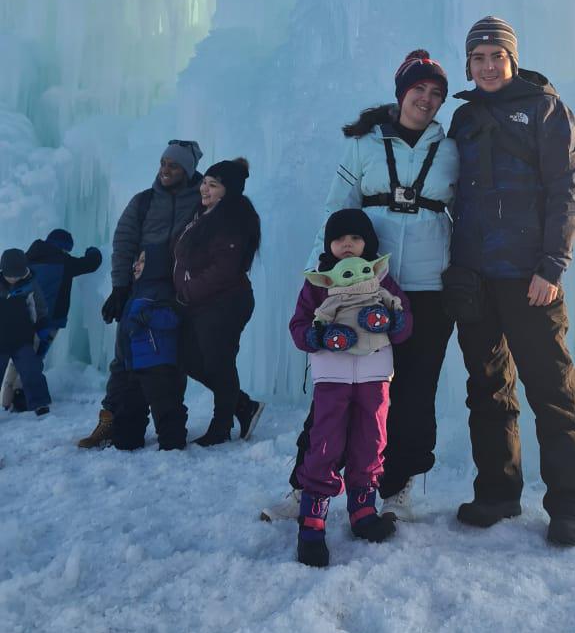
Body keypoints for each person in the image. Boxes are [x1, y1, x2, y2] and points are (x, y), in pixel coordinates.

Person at [446, 16, 575, 547]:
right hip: (474, 277)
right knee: (487, 390)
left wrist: (552, 267)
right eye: (478, 58)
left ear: (512, 59)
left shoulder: (545, 109)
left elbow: (565, 191)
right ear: (468, 64)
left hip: (530, 278)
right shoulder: (462, 119)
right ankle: (498, 493)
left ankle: (569, 507)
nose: (487, 66)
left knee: (552, 391)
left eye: (496, 57)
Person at [297, 50, 459, 513]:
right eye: (419, 89)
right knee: (340, 386)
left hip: (429, 289)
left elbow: (467, 214)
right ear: (401, 92)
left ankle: (395, 480)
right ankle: (308, 482)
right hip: (363, 286)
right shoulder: (363, 144)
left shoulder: (450, 150)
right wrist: (318, 277)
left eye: (435, 94)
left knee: (415, 388)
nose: (426, 100)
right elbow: (336, 209)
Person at [289, 209, 412, 566]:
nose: (347, 245)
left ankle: (363, 511)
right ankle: (312, 522)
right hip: (333, 375)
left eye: (355, 238)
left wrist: (395, 320)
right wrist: (314, 336)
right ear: (328, 244)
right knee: (325, 442)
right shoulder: (320, 282)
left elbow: (404, 324)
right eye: (340, 239)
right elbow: (299, 324)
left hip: (375, 374)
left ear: (368, 243)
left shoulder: (381, 278)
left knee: (371, 439)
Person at [77, 140, 203, 449]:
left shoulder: (201, 200)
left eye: (173, 165)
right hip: (140, 291)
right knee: (125, 359)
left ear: (187, 170)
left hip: (178, 293)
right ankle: (115, 421)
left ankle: (171, 427)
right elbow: (124, 243)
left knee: (168, 363)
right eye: (163, 163)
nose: (165, 169)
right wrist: (120, 288)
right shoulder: (143, 202)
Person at [174, 157, 264, 446]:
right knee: (191, 358)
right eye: (204, 182)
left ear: (229, 190)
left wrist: (188, 289)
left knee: (219, 363)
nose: (204, 189)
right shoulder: (203, 215)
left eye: (213, 185)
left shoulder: (233, 219)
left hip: (226, 302)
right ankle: (243, 405)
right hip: (204, 304)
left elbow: (223, 270)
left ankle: (221, 427)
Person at [111, 245, 188, 451]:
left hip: (157, 361)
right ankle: (127, 439)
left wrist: (148, 317)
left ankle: (173, 443)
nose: (136, 265)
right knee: (130, 405)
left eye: (143, 260)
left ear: (156, 265)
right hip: (135, 362)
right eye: (137, 260)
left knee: (165, 405)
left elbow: (174, 318)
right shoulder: (136, 291)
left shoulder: (163, 289)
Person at [25, 229, 102, 345]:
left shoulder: (28, 260)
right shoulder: (64, 263)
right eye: (67, 250)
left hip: (24, 317)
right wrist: (93, 251)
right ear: (61, 247)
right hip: (48, 320)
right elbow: (91, 263)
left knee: (22, 355)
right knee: (32, 357)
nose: (67, 253)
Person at [0, 248, 53, 416]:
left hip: (22, 338)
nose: (14, 278)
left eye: (17, 274)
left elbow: (40, 308)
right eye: (10, 274)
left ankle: (40, 404)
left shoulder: (30, 284)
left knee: (31, 370)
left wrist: (43, 326)